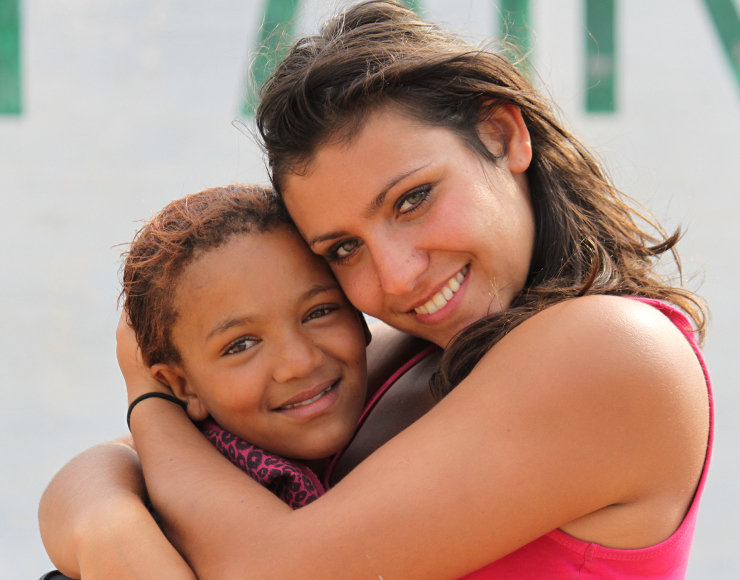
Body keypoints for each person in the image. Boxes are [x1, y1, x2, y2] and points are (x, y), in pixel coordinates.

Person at [38, 1, 713, 578]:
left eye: (413, 199)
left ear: (502, 134)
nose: (396, 276)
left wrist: (147, 395)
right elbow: (127, 467)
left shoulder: (613, 352)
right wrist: (106, 525)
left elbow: (275, 568)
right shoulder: (404, 356)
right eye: (343, 249)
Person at [119, 184, 369, 508]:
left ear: (358, 312)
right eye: (242, 345)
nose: (300, 363)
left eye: (318, 313)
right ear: (183, 385)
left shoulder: (427, 401)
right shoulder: (154, 516)